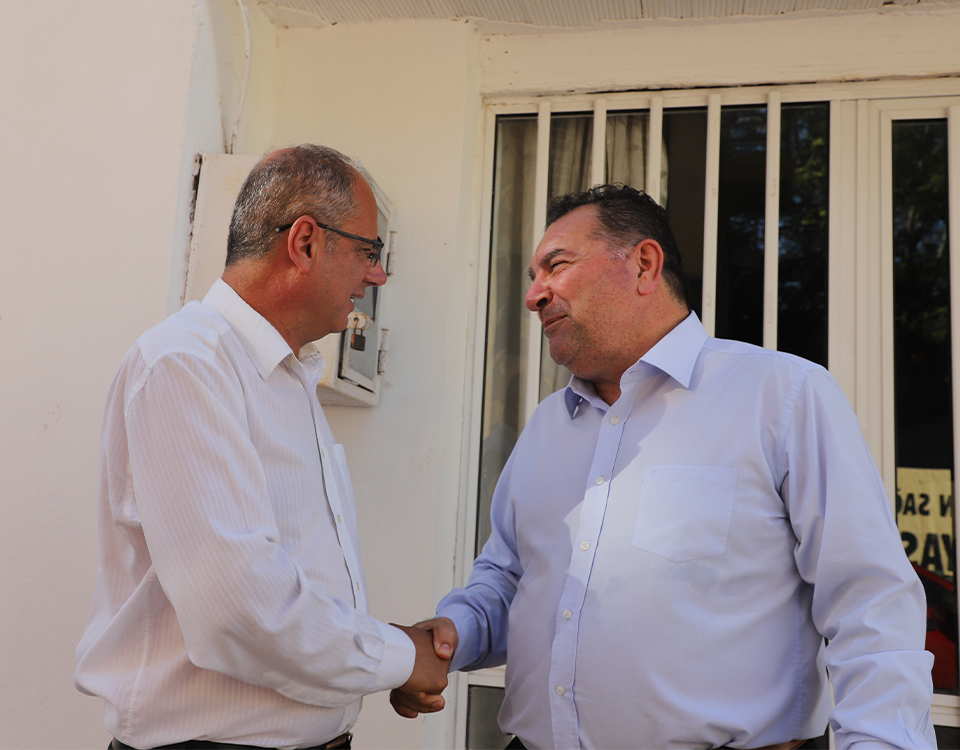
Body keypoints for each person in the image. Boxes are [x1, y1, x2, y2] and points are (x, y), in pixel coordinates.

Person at [395, 184, 936, 749]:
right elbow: (507, 579)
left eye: (556, 266)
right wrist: (453, 634)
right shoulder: (547, 426)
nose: (534, 295)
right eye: (533, 276)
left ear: (644, 265)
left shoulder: (783, 396)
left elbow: (869, 600)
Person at [75, 145, 452, 750]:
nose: (377, 275)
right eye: (368, 251)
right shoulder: (186, 364)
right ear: (305, 243)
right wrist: (400, 658)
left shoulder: (287, 374)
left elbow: (294, 582)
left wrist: (386, 660)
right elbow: (239, 608)